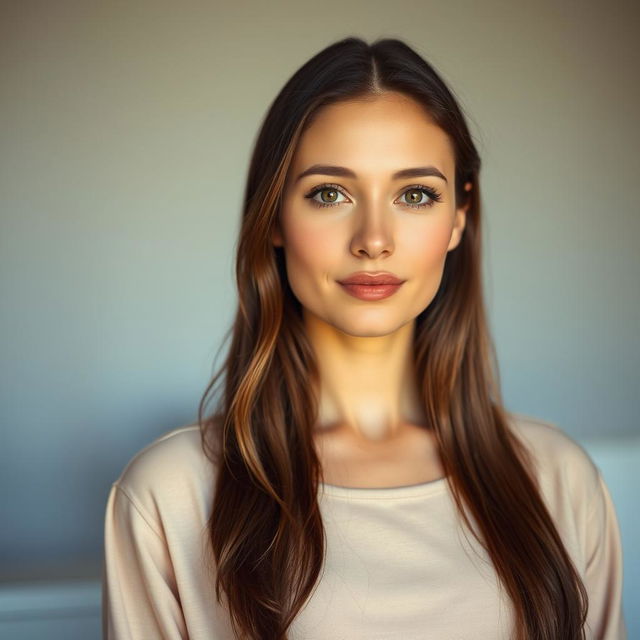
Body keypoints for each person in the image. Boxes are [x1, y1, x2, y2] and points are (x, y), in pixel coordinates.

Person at [102, 36, 627, 639]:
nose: (373, 238)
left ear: (458, 215)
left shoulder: (557, 478)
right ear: (274, 216)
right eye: (330, 193)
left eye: (415, 194)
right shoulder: (171, 493)